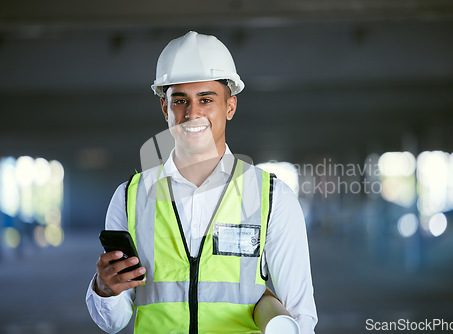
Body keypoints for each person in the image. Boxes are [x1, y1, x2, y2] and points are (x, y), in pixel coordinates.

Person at [86, 31, 317, 334]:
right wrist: (106, 288)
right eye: (180, 100)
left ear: (230, 107)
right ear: (165, 109)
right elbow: (113, 322)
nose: (192, 113)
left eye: (206, 100)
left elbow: (298, 316)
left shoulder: (272, 198)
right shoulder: (130, 197)